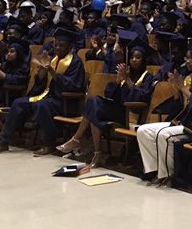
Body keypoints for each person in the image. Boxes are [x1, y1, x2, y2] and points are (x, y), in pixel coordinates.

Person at [55, 32, 156, 167]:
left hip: (131, 114)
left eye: (138, 57)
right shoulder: (126, 71)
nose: (134, 60)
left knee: (93, 108)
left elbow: (141, 98)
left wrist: (127, 80)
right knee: (93, 103)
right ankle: (96, 151)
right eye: (131, 57)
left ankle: (78, 140)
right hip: (119, 109)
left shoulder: (147, 76)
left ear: (143, 60)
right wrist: (117, 82)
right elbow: (111, 96)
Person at [0, 27, 86, 156]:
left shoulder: (75, 62)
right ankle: (2, 143)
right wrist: (42, 73)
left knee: (41, 105)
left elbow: (74, 86)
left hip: (65, 102)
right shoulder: (54, 59)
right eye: (56, 44)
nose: (58, 48)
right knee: (18, 103)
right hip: (48, 97)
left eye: (62, 45)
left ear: (70, 46)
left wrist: (51, 72)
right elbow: (41, 83)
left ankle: (49, 144)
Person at [135, 39, 192, 184]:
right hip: (182, 122)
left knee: (164, 135)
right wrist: (177, 92)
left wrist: (182, 89)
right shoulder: (188, 79)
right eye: (186, 57)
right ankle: (154, 170)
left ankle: (168, 174)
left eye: (189, 58)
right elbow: (181, 106)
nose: (186, 61)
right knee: (143, 131)